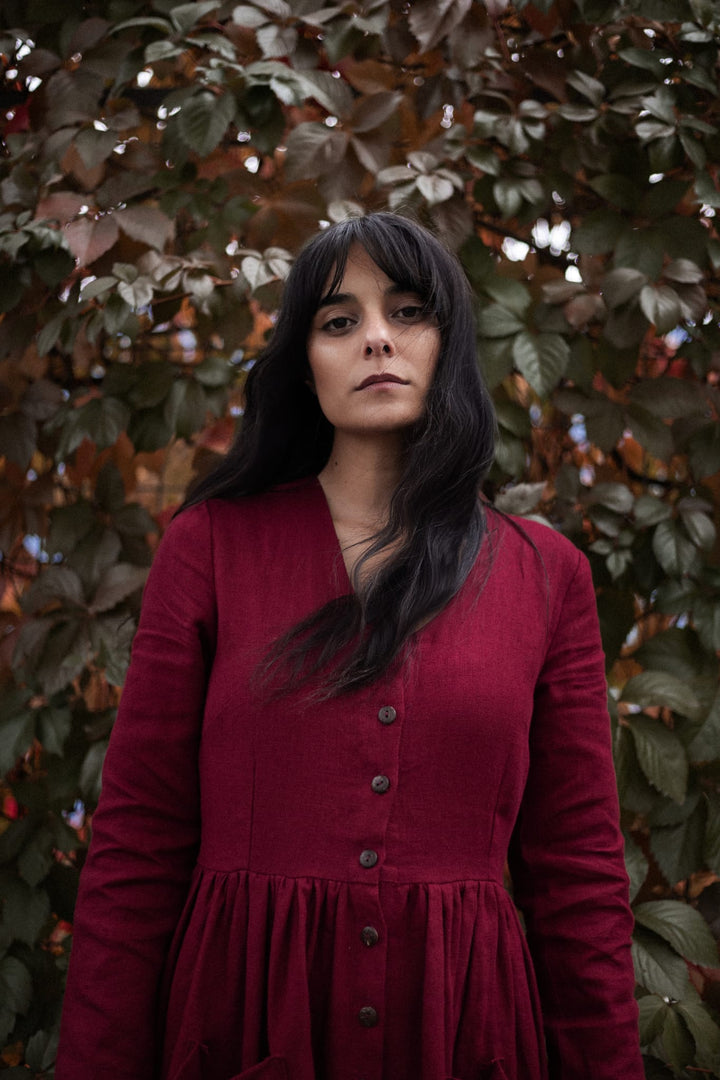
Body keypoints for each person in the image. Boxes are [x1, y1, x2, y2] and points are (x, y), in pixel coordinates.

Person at [55, 212, 643, 1080]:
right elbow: (138, 844)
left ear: (450, 344)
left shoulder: (544, 575)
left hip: (461, 1028)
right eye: (339, 322)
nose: (375, 339)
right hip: (243, 1017)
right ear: (306, 362)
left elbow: (578, 875)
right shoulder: (212, 547)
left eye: (407, 313)